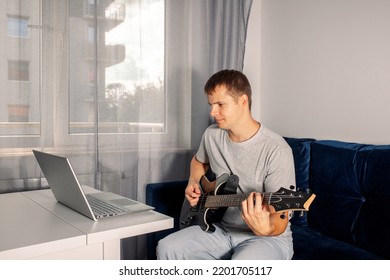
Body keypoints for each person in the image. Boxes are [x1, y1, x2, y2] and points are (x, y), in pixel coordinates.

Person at [156, 69, 296, 260]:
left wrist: (267, 227)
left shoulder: (277, 149)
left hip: (267, 239)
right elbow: (198, 162)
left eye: (220, 104)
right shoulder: (212, 135)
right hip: (221, 229)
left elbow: (280, 220)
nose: (213, 112)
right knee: (167, 247)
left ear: (243, 101)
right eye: (211, 105)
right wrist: (193, 182)